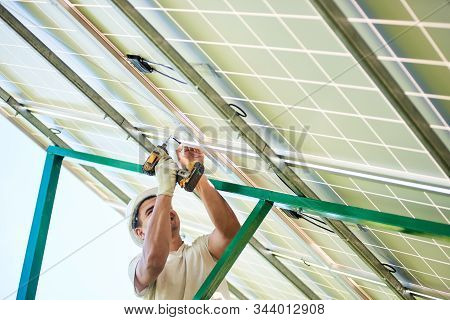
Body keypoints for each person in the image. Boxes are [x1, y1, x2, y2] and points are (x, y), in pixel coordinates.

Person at [127, 145, 241, 299]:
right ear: (140, 232)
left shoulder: (202, 251)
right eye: (151, 212)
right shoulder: (137, 265)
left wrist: (199, 179)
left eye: (166, 206)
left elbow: (231, 233)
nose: (165, 210)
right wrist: (165, 192)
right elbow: (153, 261)